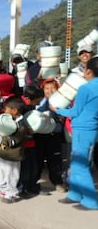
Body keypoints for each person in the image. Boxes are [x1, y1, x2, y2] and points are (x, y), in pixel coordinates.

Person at [50, 56, 98, 210]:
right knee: (76, 163)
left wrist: (57, 110)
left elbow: (76, 110)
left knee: (80, 165)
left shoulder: (86, 88)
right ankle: (75, 194)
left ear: (88, 71)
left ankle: (91, 200)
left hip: (82, 129)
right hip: (92, 129)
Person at [0, 96, 27, 203]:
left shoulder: (21, 126)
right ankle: (1, 189)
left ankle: (11, 194)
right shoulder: (10, 121)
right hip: (4, 154)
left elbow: (13, 142)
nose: (4, 111)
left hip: (13, 156)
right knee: (1, 173)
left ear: (14, 110)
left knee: (11, 175)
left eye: (6, 109)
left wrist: (1, 137)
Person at [34, 78, 66, 192]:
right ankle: (33, 182)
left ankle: (57, 182)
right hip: (39, 134)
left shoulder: (61, 102)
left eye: (53, 88)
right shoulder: (39, 101)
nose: (49, 90)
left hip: (54, 134)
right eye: (47, 88)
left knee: (55, 159)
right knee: (38, 159)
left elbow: (63, 117)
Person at [19, 84, 44, 197]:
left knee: (33, 165)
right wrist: (26, 131)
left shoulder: (30, 105)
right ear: (28, 99)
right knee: (24, 166)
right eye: (37, 101)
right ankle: (22, 188)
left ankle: (32, 186)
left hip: (31, 141)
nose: (38, 104)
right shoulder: (19, 106)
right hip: (22, 142)